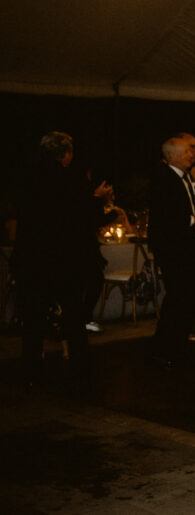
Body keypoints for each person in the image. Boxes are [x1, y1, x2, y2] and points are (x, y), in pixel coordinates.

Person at [14, 132, 107, 391]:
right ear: (66, 154)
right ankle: (80, 366)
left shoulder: (28, 179)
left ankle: (30, 369)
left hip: (33, 259)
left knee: (33, 317)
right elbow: (81, 219)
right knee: (73, 314)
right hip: (63, 261)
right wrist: (95, 200)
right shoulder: (70, 180)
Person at [147, 135, 195, 369]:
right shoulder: (163, 179)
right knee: (177, 301)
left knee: (186, 301)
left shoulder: (183, 178)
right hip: (174, 251)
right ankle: (164, 349)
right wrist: (193, 219)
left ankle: (176, 346)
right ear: (172, 156)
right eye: (187, 151)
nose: (193, 154)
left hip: (187, 249)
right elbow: (163, 219)